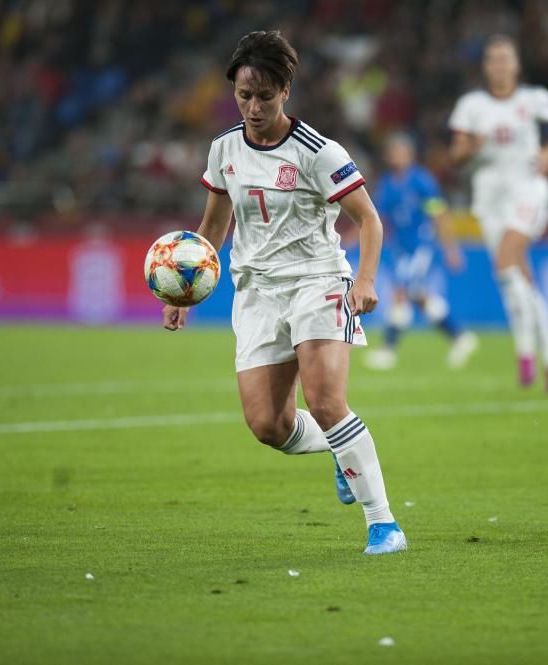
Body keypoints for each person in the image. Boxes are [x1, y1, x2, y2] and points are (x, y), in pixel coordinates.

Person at [162, 31, 405, 555]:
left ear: (286, 91)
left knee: (324, 401)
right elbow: (213, 225)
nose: (253, 106)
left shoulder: (319, 151)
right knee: (268, 425)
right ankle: (342, 456)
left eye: (264, 96)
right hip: (257, 291)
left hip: (318, 281)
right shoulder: (225, 148)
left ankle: (383, 523)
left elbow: (369, 219)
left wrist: (364, 280)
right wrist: (183, 291)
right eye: (244, 95)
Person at [449, 35, 548, 393]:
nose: (500, 65)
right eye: (493, 59)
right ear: (486, 66)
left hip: (527, 189)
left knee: (507, 261)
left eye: (506, 59)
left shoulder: (534, 99)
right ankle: (546, 353)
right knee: (515, 278)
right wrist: (471, 146)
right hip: (489, 196)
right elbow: (455, 156)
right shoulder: (471, 105)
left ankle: (528, 353)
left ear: (516, 65)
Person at [365, 132, 479, 370]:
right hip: (401, 249)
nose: (395, 156)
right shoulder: (386, 184)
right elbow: (378, 217)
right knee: (419, 297)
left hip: (420, 245)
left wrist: (451, 249)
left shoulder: (422, 181)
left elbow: (439, 215)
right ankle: (460, 337)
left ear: (410, 154)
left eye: (400, 151)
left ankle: (388, 350)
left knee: (400, 292)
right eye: (392, 152)